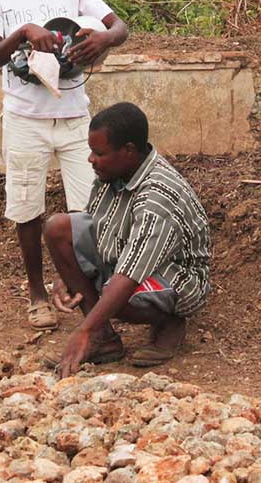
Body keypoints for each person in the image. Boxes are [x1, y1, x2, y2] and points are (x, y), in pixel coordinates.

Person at [0, 0, 128, 331]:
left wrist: (102, 41)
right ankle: (37, 293)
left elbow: (121, 27)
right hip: (24, 119)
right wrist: (22, 33)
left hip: (77, 121)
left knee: (89, 210)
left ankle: (88, 295)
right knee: (27, 209)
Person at [43, 102, 211, 378]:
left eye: (99, 153)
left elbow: (131, 273)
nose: (91, 159)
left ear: (129, 151)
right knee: (58, 227)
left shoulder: (158, 194)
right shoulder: (112, 172)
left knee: (119, 292)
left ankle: (170, 323)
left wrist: (82, 331)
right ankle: (105, 339)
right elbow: (95, 225)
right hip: (126, 259)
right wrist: (67, 274)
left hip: (177, 279)